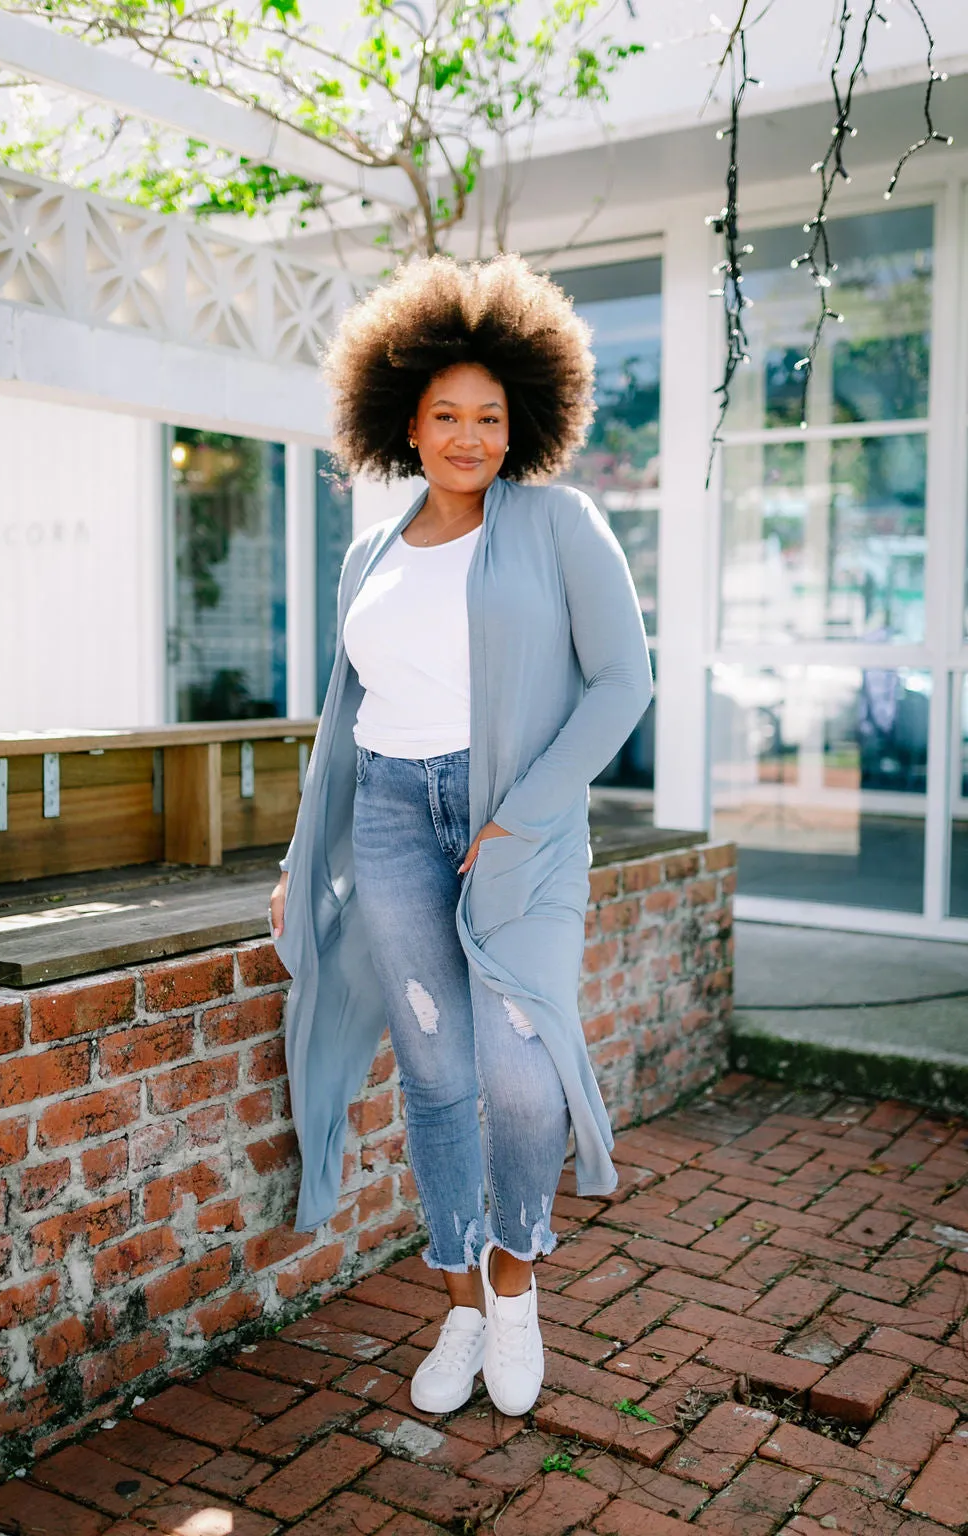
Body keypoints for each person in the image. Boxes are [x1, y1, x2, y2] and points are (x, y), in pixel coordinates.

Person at [269, 253, 652, 1420]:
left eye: (490, 417)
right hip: (388, 819)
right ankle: (459, 1305)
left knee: (519, 1079)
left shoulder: (559, 523)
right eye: (445, 415)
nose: (468, 437)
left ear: (524, 419)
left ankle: (517, 1280)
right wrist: (300, 864)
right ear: (404, 420)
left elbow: (623, 684)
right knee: (434, 1078)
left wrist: (518, 818)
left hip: (518, 841)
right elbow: (346, 720)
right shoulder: (368, 555)